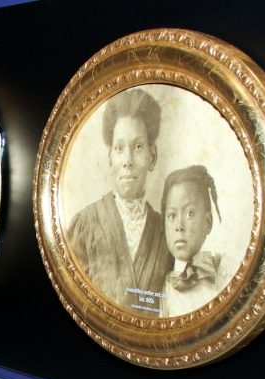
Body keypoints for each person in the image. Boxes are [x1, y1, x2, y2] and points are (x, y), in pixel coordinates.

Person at [66, 87, 172, 315]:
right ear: (110, 158)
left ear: (152, 157)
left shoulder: (167, 234)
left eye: (138, 147)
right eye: (119, 148)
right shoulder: (84, 225)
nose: (128, 161)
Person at [159, 165, 237, 317]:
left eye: (190, 213)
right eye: (172, 216)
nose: (179, 226)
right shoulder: (166, 288)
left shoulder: (226, 270)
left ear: (207, 222)